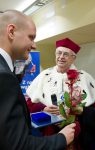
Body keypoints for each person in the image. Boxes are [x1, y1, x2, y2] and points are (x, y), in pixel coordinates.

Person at [0, 10, 76, 150]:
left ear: (73, 58)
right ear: (11, 31)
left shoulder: (80, 77)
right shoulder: (5, 76)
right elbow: (17, 144)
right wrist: (61, 139)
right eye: (31, 37)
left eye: (66, 54)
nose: (34, 45)